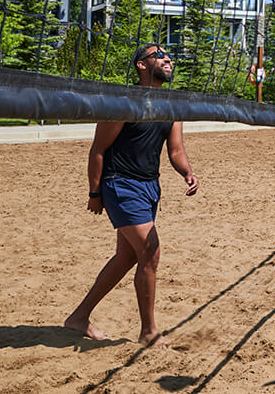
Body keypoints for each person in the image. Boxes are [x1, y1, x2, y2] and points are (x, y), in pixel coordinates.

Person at [64, 44, 200, 346]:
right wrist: (94, 192)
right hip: (120, 184)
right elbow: (98, 149)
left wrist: (187, 172)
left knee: (126, 257)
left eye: (168, 55)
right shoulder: (123, 102)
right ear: (141, 65)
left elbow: (176, 150)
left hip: (150, 187)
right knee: (151, 252)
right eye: (159, 55)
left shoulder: (172, 105)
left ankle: (78, 318)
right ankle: (149, 331)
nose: (167, 58)